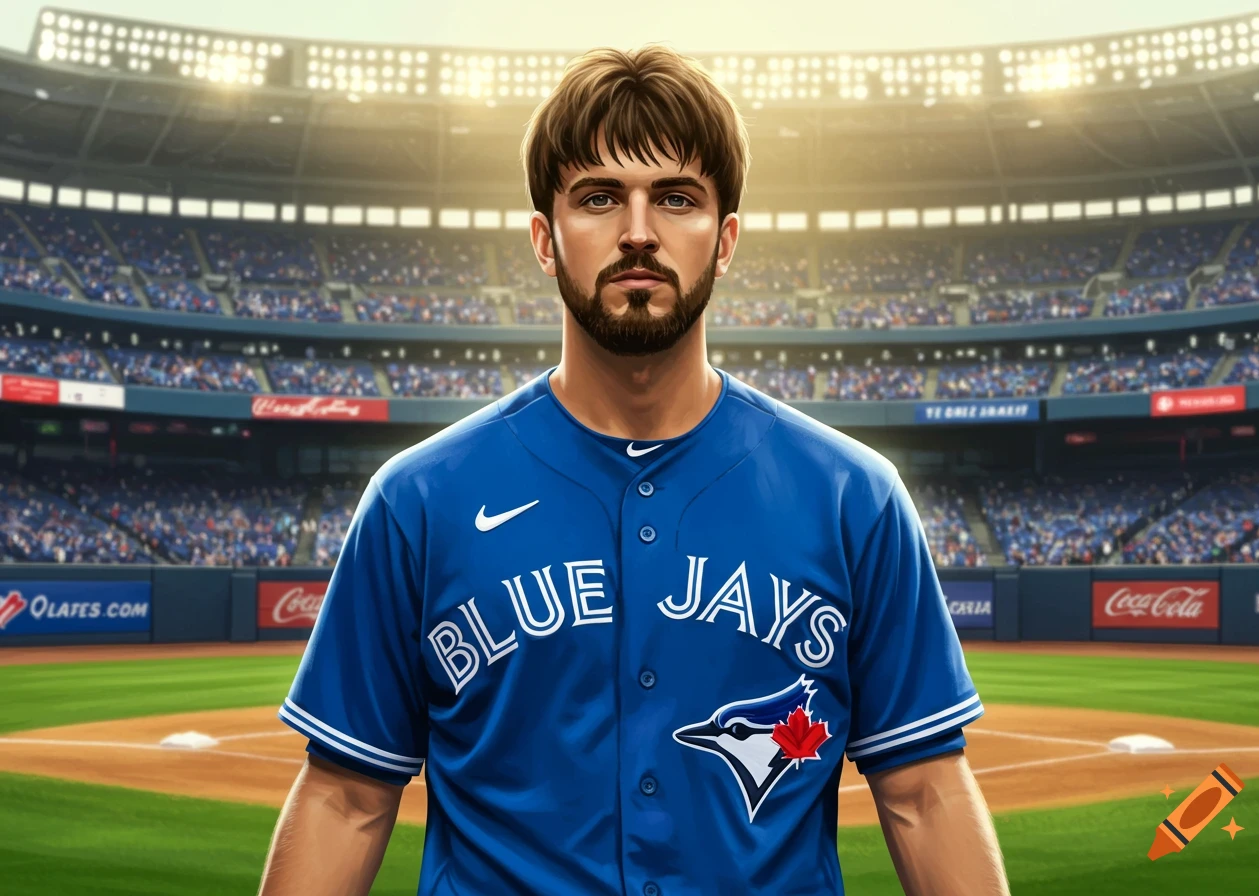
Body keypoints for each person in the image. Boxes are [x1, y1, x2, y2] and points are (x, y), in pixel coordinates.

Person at [258, 45, 1009, 896]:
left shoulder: (854, 497)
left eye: (677, 198)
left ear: (725, 241)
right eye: (599, 197)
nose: (640, 230)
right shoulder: (417, 500)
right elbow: (346, 798)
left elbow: (924, 793)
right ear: (545, 239)